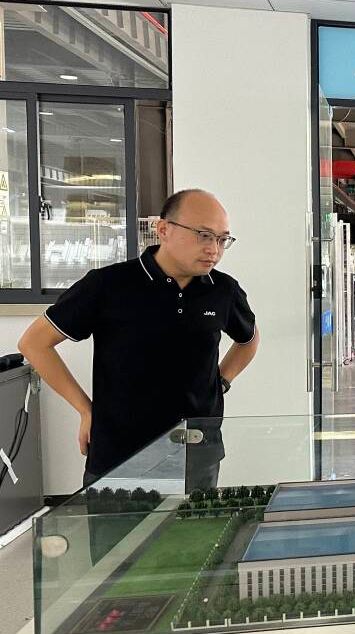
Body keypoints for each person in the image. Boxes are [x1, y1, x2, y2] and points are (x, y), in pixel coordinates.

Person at [18, 189, 259, 489]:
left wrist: (221, 382)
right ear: (163, 229)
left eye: (222, 240)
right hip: (121, 457)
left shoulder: (223, 290)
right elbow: (34, 343)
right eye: (204, 236)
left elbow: (249, 339)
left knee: (195, 521)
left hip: (197, 453)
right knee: (114, 523)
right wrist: (85, 409)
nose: (214, 249)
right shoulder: (109, 285)